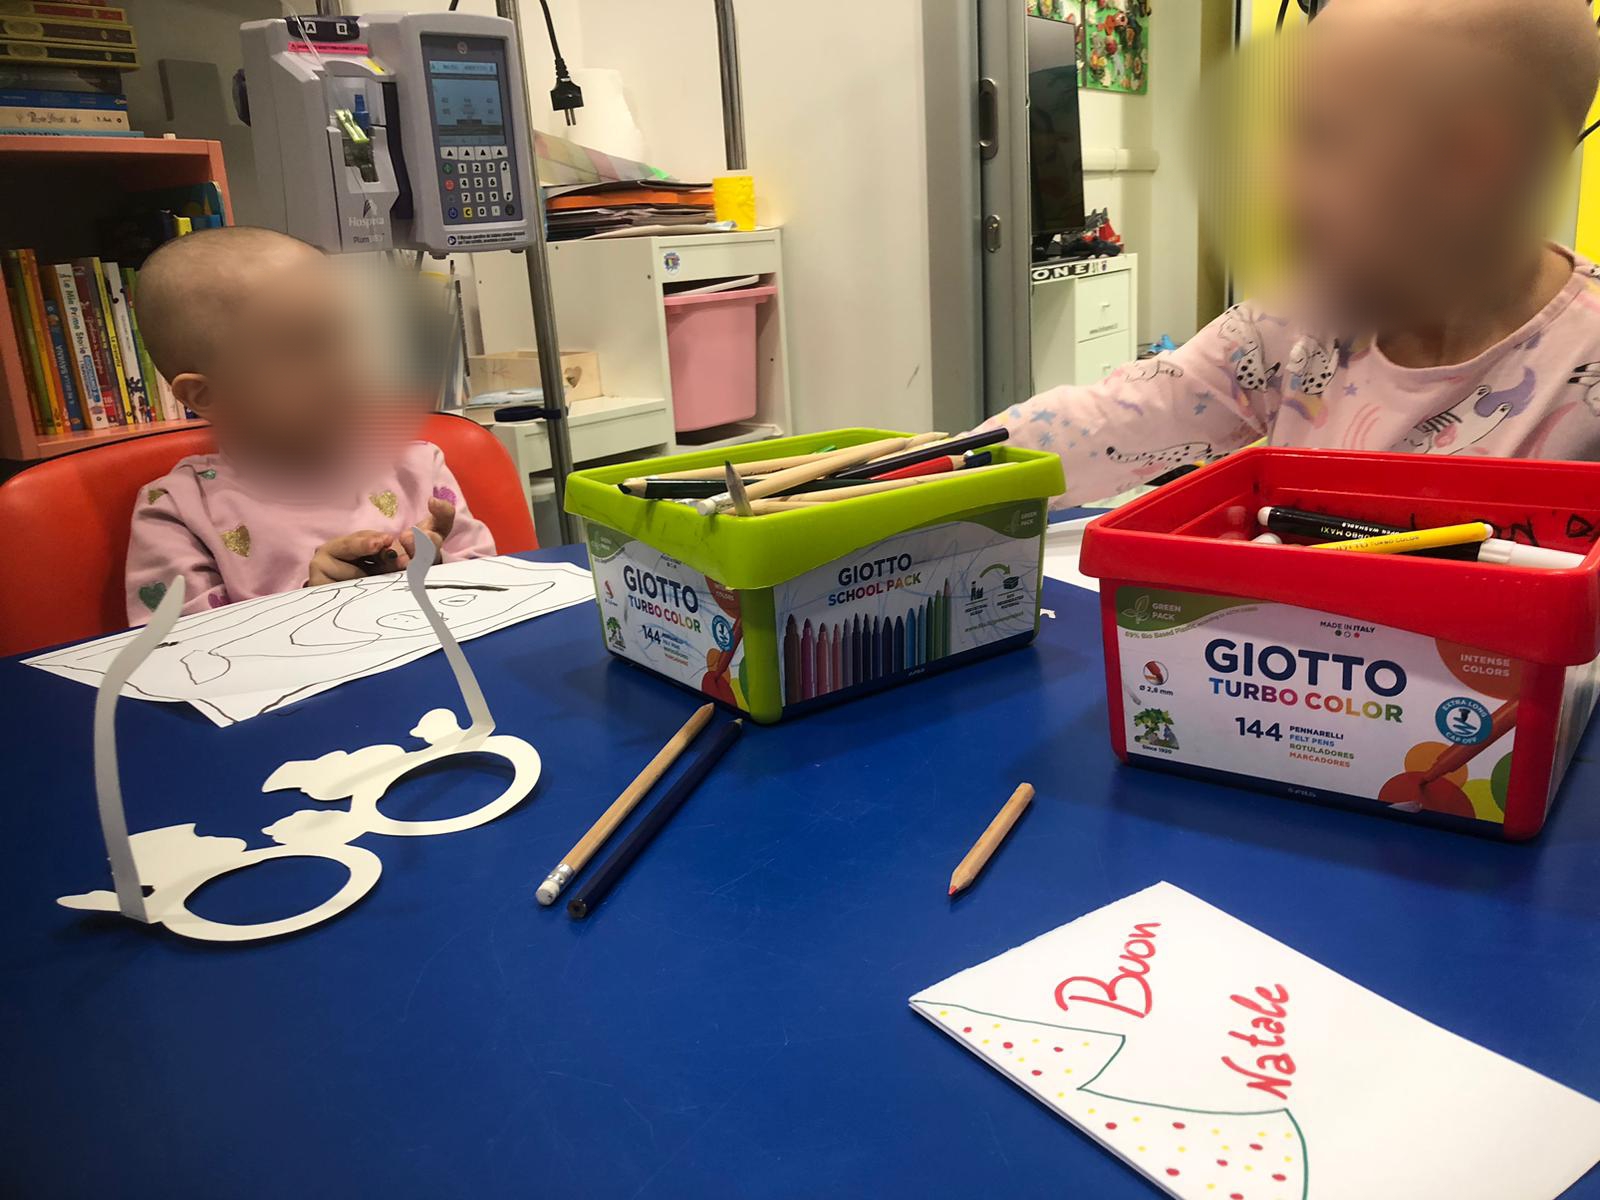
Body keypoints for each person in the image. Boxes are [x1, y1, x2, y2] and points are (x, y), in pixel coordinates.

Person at [993, 0, 1600, 506]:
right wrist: (955, 466)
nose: (1270, 176)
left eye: (1318, 137)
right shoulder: (1293, 327)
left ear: (1469, 161)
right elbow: (1116, 419)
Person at [124, 226, 495, 620]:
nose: (346, 370)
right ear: (206, 396)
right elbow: (179, 651)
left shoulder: (416, 468)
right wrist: (311, 606)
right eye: (303, 348)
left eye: (344, 338)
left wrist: (436, 570)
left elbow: (498, 592)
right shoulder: (179, 512)